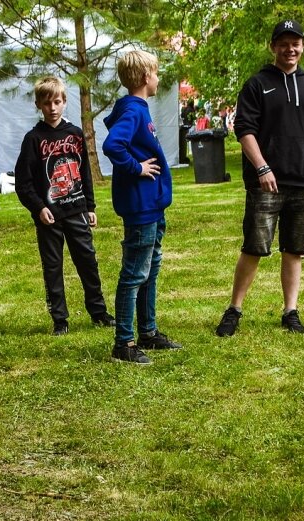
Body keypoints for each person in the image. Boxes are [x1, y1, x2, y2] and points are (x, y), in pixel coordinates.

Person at [215, 20, 304, 337]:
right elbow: (244, 130)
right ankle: (234, 309)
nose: (290, 49)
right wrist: (262, 167)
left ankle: (291, 311)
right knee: (254, 248)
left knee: (294, 250)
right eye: (283, 43)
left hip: (303, 181)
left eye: (295, 43)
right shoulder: (257, 84)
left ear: (303, 46)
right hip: (266, 183)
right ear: (273, 47)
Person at [14, 76, 115, 335]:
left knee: (88, 261)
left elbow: (85, 172)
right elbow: (23, 183)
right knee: (53, 267)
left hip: (76, 209)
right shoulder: (33, 139)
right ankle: (60, 319)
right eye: (47, 103)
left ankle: (98, 311)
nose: (53, 108)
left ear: (64, 101)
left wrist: (90, 206)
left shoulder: (75, 134)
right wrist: (39, 208)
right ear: (38, 104)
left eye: (57, 102)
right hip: (49, 217)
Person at [102, 50, 182, 365]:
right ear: (146, 76)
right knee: (135, 273)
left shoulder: (138, 109)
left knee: (151, 269)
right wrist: (136, 168)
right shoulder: (134, 111)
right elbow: (112, 145)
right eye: (157, 73)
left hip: (152, 206)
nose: (158, 79)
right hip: (140, 207)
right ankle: (124, 342)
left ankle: (148, 331)